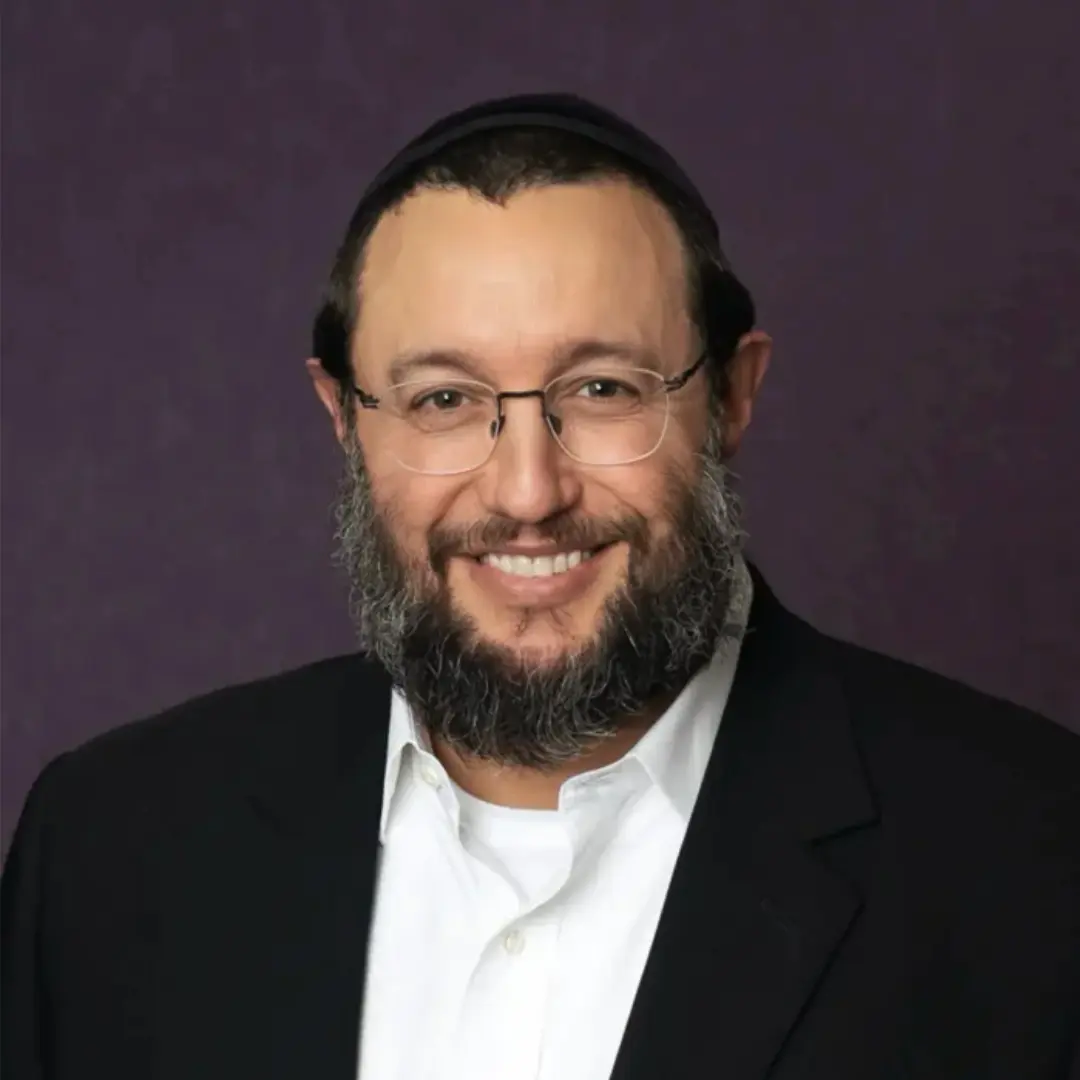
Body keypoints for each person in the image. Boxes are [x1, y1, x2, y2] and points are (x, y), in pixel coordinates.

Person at [2, 93, 1078, 1080]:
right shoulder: (108, 848)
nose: (527, 492)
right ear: (344, 419)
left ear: (732, 397)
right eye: (443, 400)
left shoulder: (1035, 860)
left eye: (602, 388)